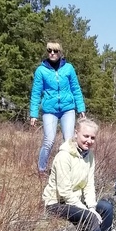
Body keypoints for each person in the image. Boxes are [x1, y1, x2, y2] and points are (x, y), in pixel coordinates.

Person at [43, 117, 114, 231]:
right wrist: (86, 210)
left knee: (106, 208)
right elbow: (64, 192)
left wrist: (92, 206)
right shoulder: (64, 156)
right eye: (85, 136)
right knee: (89, 217)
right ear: (76, 134)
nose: (89, 140)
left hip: (75, 201)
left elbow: (89, 184)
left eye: (92, 137)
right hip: (56, 203)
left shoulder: (89, 156)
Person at [29, 41, 86, 173]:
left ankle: (70, 170)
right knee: (49, 140)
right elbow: (36, 93)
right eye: (50, 51)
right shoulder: (41, 70)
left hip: (68, 108)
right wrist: (33, 114)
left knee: (69, 141)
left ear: (60, 52)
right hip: (50, 110)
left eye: (55, 51)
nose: (52, 53)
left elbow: (76, 89)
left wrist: (81, 108)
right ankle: (41, 170)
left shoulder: (69, 68)